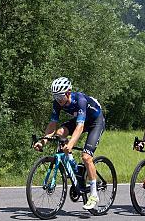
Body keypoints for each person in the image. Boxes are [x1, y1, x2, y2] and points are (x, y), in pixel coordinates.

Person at [33, 77, 105, 211]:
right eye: (55, 97)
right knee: (60, 132)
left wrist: (71, 144)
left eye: (60, 97)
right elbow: (52, 124)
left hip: (96, 122)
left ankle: (94, 195)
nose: (58, 100)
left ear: (68, 92)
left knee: (86, 157)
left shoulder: (81, 100)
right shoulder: (57, 103)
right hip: (80, 120)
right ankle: (73, 165)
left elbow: (80, 127)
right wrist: (43, 141)